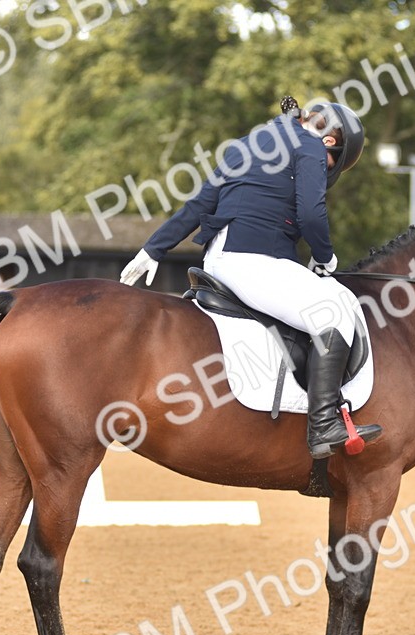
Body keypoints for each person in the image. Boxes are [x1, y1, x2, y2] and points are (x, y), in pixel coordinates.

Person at [120, 97, 382, 460]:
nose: (327, 168)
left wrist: (152, 249)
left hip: (220, 260)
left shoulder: (248, 142)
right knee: (333, 311)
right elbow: (310, 213)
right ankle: (323, 424)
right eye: (333, 163)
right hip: (256, 260)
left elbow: (200, 204)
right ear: (330, 141)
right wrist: (325, 257)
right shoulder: (308, 145)